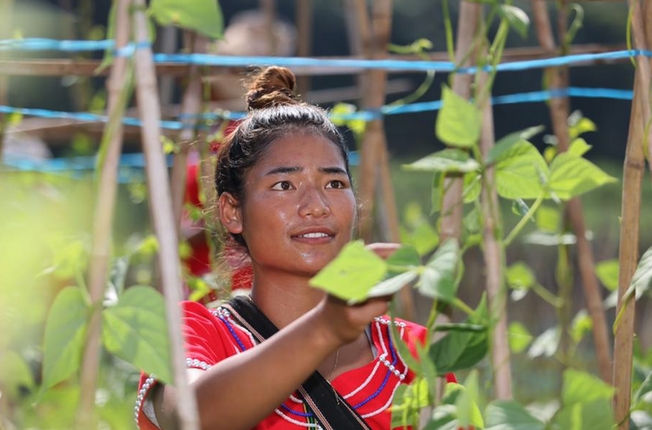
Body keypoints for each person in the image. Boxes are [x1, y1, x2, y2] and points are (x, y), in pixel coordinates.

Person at [135, 66, 455, 430]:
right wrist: (325, 328)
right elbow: (191, 418)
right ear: (232, 211)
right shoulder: (196, 331)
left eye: (334, 183)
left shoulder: (409, 350)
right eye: (284, 185)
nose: (316, 205)